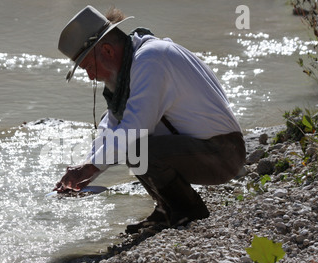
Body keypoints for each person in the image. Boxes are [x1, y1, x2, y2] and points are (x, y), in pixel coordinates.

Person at [54, 5, 246, 233]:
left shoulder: (151, 59)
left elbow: (135, 127)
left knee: (138, 149)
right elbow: (111, 126)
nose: (91, 76)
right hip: (201, 150)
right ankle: (166, 209)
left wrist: (91, 168)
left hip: (223, 155)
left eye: (88, 67)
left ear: (107, 50)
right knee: (130, 144)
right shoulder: (133, 66)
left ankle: (188, 211)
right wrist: (87, 168)